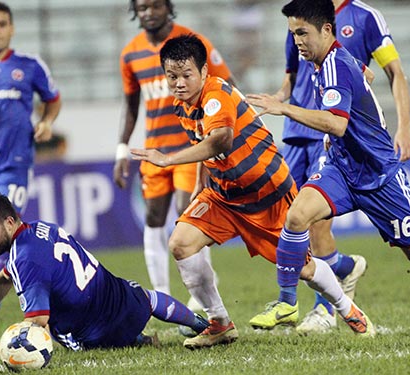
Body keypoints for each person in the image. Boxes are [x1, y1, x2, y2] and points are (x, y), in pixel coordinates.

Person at [131, 34, 376, 349]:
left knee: (303, 267)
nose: (179, 83)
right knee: (180, 243)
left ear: (204, 72)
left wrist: (168, 160)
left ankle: (347, 308)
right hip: (223, 195)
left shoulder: (216, 94)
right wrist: (198, 180)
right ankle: (219, 323)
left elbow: (220, 140)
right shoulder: (182, 104)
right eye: (172, 76)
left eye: (186, 75)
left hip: (266, 195)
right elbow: (203, 144)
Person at [246, 0, 410, 332]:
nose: (297, 41)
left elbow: (337, 124)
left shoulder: (336, 62)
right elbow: (361, 75)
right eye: (293, 34)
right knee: (297, 216)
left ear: (326, 30)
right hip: (340, 168)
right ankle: (287, 303)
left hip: (379, 176)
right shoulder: (323, 61)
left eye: (302, 33)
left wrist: (283, 109)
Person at [0, 192, 209, 358]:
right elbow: (5, 277)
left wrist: (8, 351)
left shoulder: (24, 260)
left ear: (8, 222)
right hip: (122, 300)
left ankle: (138, 340)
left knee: (67, 332)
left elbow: (38, 323)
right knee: (148, 297)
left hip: (93, 335)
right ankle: (202, 325)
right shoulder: (43, 228)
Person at [114, 0, 235, 309]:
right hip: (154, 150)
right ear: (135, 11)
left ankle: (202, 290)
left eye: (155, 6)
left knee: (188, 215)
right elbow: (130, 108)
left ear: (168, 7)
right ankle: (162, 295)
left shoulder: (193, 43)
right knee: (153, 218)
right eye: (142, 7)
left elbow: (227, 87)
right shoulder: (131, 54)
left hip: (190, 148)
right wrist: (121, 152)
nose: (148, 12)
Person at [0, 2, 61, 321]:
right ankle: (1, 295)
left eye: (2, 24)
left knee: (1, 223)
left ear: (11, 28)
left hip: (16, 161)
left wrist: (47, 122)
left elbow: (53, 100)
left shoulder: (29, 65)